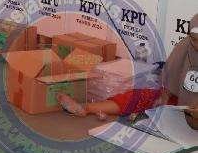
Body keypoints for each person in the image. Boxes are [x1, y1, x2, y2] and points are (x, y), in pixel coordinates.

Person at [58, 14, 198, 128]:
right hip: (182, 103)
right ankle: (86, 108)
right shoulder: (184, 47)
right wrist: (164, 97)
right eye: (194, 40)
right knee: (143, 96)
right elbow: (170, 79)